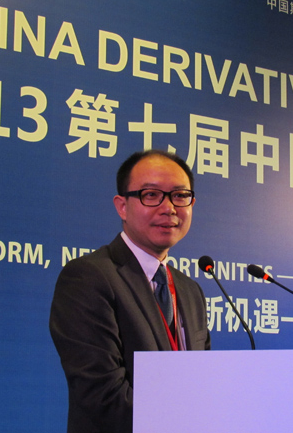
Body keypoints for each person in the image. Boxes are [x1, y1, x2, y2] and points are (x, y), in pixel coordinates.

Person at [49, 150, 211, 433]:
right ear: (122, 206)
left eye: (180, 196)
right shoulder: (88, 277)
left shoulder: (190, 290)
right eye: (151, 195)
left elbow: (202, 384)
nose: (169, 208)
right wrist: (189, 423)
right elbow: (103, 396)